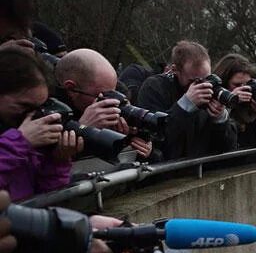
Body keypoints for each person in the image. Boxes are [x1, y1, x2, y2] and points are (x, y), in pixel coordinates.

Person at [0, 49, 81, 201]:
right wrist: (20, 141)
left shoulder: (25, 142)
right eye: (24, 106)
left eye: (40, 107)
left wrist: (58, 161)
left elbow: (45, 200)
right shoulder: (19, 142)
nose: (33, 116)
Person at [136, 40, 237, 160]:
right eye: (194, 81)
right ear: (174, 70)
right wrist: (185, 105)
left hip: (202, 171)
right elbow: (155, 138)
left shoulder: (211, 91)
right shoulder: (154, 87)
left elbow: (228, 147)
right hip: (167, 171)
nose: (203, 85)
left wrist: (220, 119)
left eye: (207, 79)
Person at [53, 48, 154, 160]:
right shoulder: (46, 109)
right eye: (102, 97)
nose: (110, 101)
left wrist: (132, 141)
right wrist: (82, 129)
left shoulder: (119, 96)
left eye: (113, 92)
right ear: (71, 89)